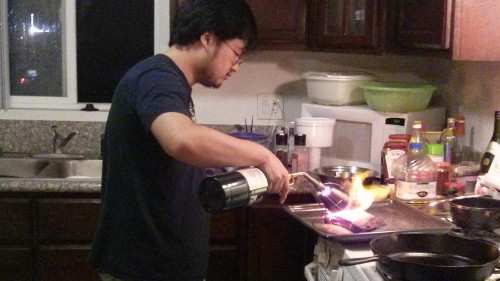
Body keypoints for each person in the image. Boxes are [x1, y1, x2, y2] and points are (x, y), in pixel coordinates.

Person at [88, 0, 290, 280]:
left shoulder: (169, 82)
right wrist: (262, 154)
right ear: (208, 38)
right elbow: (182, 140)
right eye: (236, 53)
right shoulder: (157, 78)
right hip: (145, 270)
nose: (236, 67)